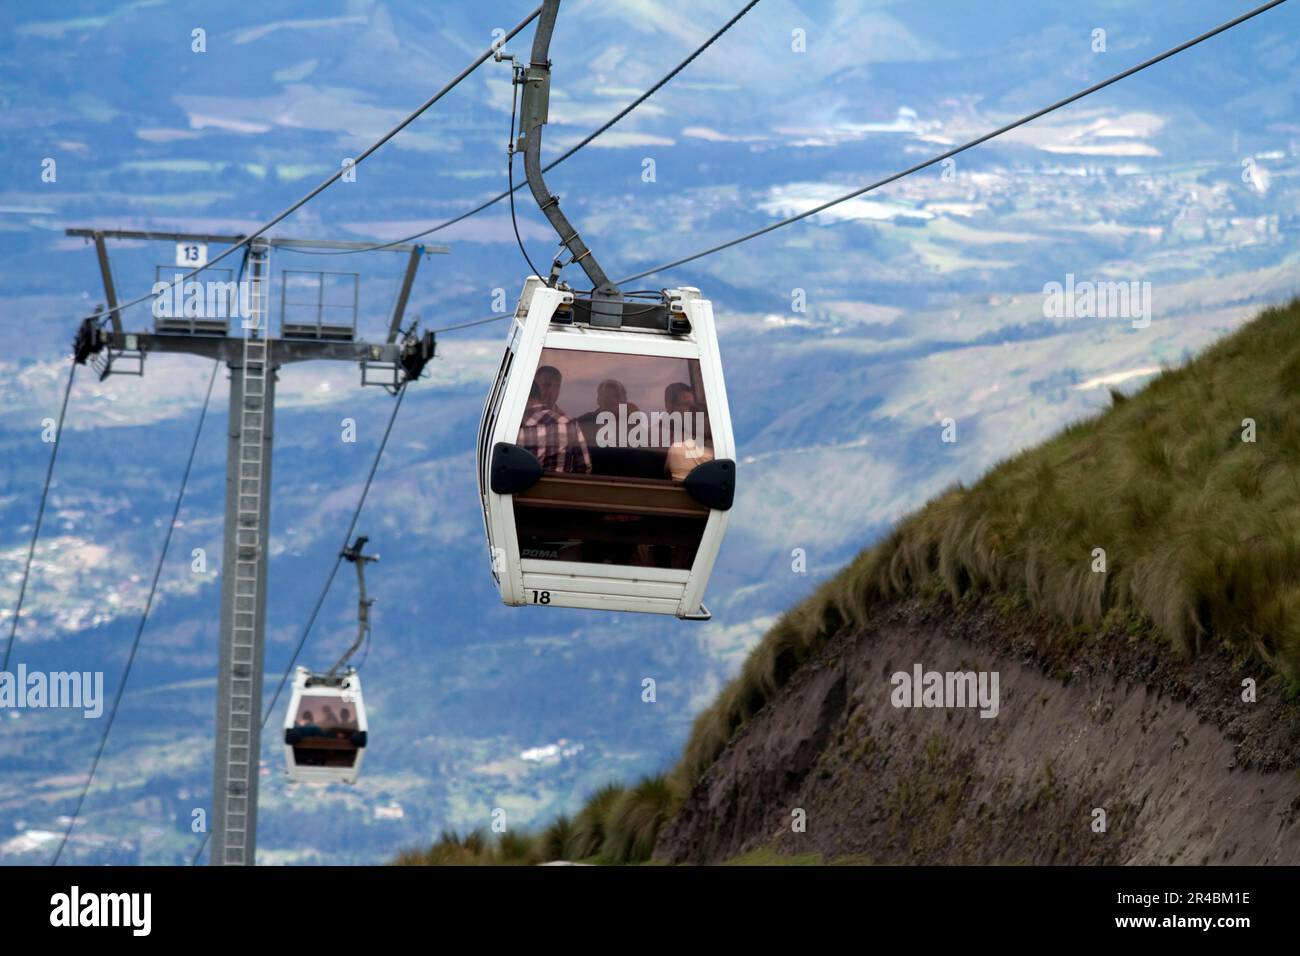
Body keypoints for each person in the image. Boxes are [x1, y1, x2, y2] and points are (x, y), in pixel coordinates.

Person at [518, 372, 591, 473]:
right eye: (546, 385)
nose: (551, 391)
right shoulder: (569, 423)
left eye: (556, 387)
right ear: (536, 388)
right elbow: (584, 466)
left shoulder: (515, 427)